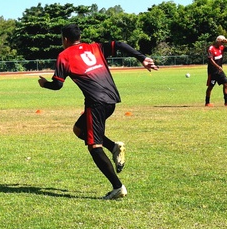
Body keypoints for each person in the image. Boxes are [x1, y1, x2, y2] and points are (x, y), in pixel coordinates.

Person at [38, 25, 157, 199]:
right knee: (79, 130)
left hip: (96, 102)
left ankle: (118, 187)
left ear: (64, 39)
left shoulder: (64, 56)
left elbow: (57, 85)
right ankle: (114, 146)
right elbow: (120, 44)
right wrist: (143, 58)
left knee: (94, 146)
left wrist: (44, 84)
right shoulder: (94, 47)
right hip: (111, 99)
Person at [205, 34, 227, 107]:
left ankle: (226, 101)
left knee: (226, 84)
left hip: (219, 71)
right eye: (222, 42)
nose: (222, 44)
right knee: (210, 87)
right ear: (218, 41)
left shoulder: (221, 48)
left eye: (223, 43)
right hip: (212, 71)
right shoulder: (211, 48)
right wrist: (217, 66)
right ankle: (207, 102)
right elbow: (210, 60)